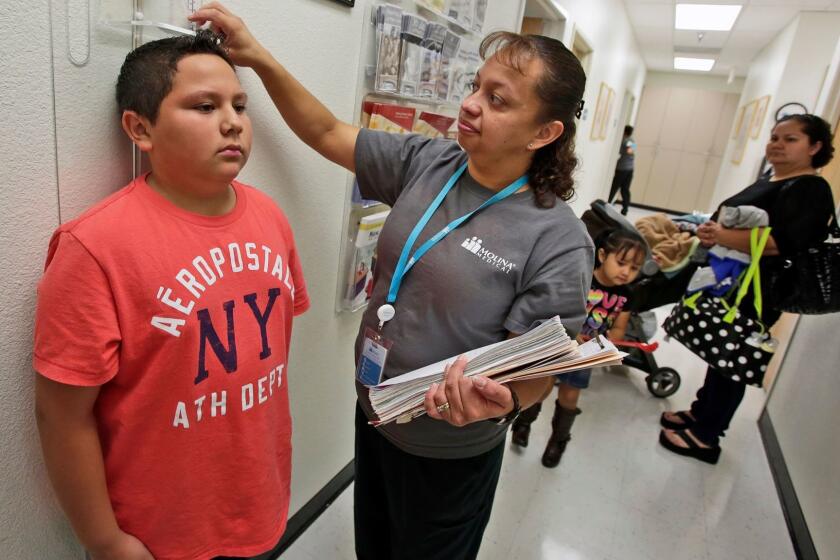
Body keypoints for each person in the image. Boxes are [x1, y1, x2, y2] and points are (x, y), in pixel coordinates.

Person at [189, 4, 592, 559]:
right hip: (377, 411)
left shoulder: (558, 241)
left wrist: (500, 403)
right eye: (477, 87)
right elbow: (328, 130)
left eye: (498, 100)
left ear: (545, 132)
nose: (470, 104)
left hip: (450, 449)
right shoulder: (431, 161)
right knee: (374, 548)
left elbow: (537, 375)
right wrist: (255, 57)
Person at [33, 32, 309, 560]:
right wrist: (105, 540)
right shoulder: (96, 248)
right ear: (141, 129)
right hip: (159, 528)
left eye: (239, 105)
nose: (232, 122)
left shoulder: (270, 217)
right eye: (205, 106)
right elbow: (62, 417)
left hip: (258, 499)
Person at [660, 114, 835, 464]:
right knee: (721, 352)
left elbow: (781, 242)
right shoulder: (774, 178)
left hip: (760, 290)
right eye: (774, 137)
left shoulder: (811, 188)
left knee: (732, 360)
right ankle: (700, 413)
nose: (777, 144)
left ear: (815, 147)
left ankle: (706, 437)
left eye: (790, 139)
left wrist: (721, 236)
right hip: (733, 282)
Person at [511, 229, 646, 467]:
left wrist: (602, 345)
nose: (626, 272)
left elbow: (618, 330)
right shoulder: (582, 278)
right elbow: (558, 309)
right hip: (560, 346)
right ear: (603, 255)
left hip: (585, 355)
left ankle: (559, 439)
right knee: (541, 388)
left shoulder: (627, 295)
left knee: (570, 396)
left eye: (634, 268)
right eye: (621, 263)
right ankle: (524, 423)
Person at [608, 125, 636, 215]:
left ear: (624, 132)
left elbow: (629, 151)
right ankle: (625, 209)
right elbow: (632, 151)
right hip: (630, 168)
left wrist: (627, 150)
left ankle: (606, 205)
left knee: (614, 187)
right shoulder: (632, 140)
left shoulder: (627, 140)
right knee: (625, 189)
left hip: (622, 168)